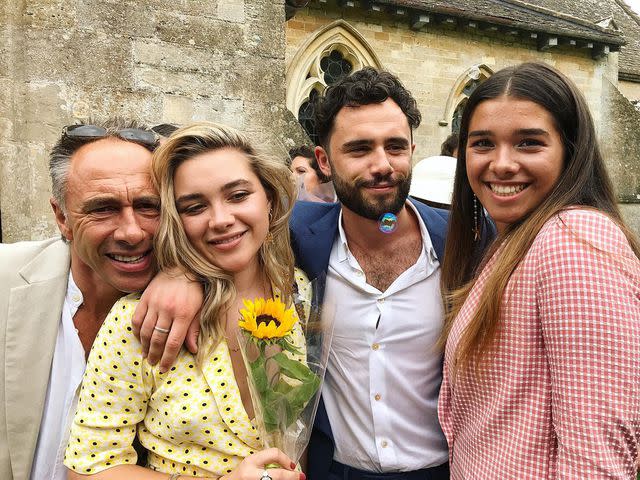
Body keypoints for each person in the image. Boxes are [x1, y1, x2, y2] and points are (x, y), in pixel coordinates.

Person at [65, 122, 307, 480]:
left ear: (269, 201)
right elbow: (89, 468)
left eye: (238, 196)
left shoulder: (300, 293)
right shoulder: (138, 319)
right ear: (176, 220)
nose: (221, 219)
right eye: (194, 207)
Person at [438, 62, 640, 478]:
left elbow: (596, 458)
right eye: (482, 144)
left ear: (570, 149)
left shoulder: (574, 240)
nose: (502, 164)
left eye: (529, 143)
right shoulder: (520, 237)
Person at [289, 67, 491, 480]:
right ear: (324, 161)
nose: (382, 165)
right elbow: (215, 244)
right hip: (336, 472)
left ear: (412, 149)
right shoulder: (296, 234)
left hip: (451, 470)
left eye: (395, 147)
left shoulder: (470, 241)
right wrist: (179, 278)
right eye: (360, 149)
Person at [0, 119, 202, 480]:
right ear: (62, 216)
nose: (131, 232)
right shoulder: (5, 279)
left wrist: (189, 273)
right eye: (102, 208)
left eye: (148, 206)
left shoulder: (206, 302)